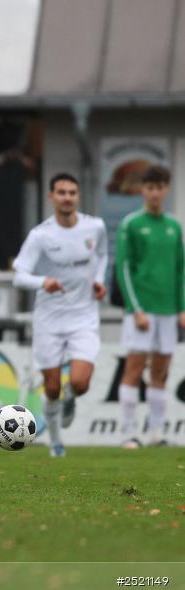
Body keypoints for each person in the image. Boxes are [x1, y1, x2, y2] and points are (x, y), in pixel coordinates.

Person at [12, 173, 107, 458]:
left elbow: (102, 255)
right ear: (51, 197)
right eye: (61, 192)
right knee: (51, 387)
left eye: (72, 192)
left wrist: (100, 280)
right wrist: (44, 282)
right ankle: (55, 441)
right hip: (49, 319)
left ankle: (72, 398)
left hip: (84, 316)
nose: (67, 197)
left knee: (79, 382)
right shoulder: (41, 235)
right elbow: (18, 277)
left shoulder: (95, 227)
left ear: (78, 196)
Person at [115, 164, 184, 448]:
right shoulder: (131, 224)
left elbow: (181, 270)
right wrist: (135, 308)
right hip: (141, 310)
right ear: (143, 190)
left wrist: (182, 308)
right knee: (134, 368)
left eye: (159, 188)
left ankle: (157, 433)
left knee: (162, 371)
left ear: (166, 190)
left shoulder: (174, 226)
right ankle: (128, 433)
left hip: (168, 310)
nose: (155, 193)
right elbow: (124, 268)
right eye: (150, 187)